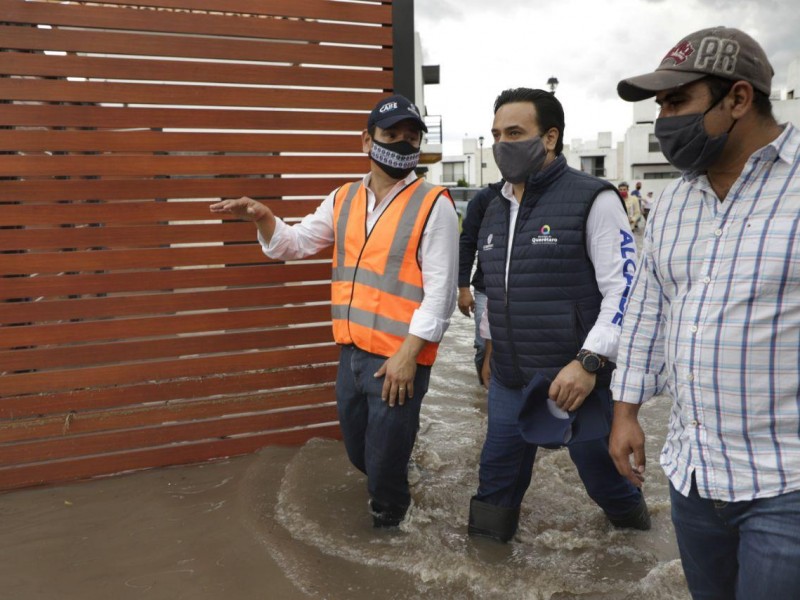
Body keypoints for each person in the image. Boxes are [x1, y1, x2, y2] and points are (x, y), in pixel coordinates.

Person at [610, 26, 800, 599]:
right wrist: (626, 411)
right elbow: (648, 309)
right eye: (660, 105)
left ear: (738, 98)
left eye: (676, 102)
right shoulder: (673, 203)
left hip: (785, 485)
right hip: (693, 477)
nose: (663, 120)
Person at [210, 94, 459, 528]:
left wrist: (408, 356)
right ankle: (401, 475)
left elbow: (441, 294)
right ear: (367, 141)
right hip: (351, 355)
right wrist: (265, 218)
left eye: (411, 137)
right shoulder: (343, 198)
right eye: (391, 135)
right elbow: (296, 243)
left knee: (382, 471)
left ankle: (391, 535)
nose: (402, 144)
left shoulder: (433, 203)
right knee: (360, 452)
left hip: (399, 359)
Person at [467, 88, 650, 543]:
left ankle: (639, 548)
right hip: (510, 382)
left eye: (515, 133)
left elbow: (627, 293)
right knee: (494, 490)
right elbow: (489, 288)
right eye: (495, 134)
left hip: (577, 385)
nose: (502, 144)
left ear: (550, 138)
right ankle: (488, 571)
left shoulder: (595, 199)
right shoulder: (493, 207)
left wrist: (589, 362)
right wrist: (490, 348)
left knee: (608, 486)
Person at [457, 180, 503, 385]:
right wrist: (463, 288)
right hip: (487, 287)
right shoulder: (484, 199)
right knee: (484, 345)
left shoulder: (541, 196)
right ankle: (484, 392)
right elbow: (467, 242)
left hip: (525, 288)